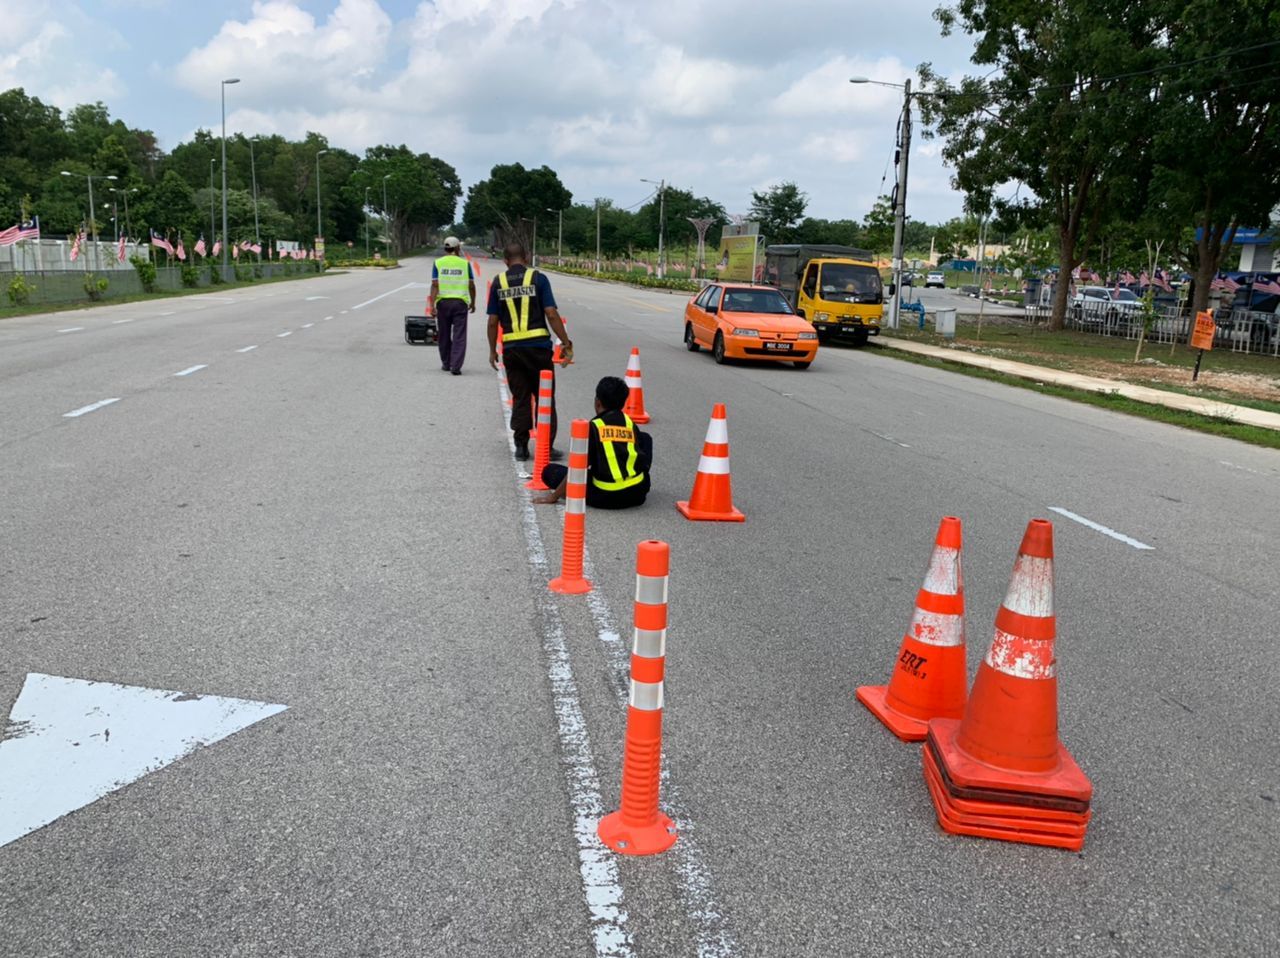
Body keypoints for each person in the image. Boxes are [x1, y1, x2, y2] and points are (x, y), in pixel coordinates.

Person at [487, 241, 573, 461]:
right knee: (544, 398)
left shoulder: (499, 282)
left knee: (521, 397)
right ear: (526, 258)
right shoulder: (538, 279)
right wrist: (565, 341)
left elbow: (492, 321)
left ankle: (521, 446)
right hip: (538, 349)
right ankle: (545, 446)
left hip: (512, 350)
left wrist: (492, 351)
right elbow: (551, 314)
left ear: (505, 260)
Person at [533, 376, 652, 509]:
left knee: (550, 472)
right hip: (638, 493)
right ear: (623, 403)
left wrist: (553, 496)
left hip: (605, 496)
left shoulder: (593, 427)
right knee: (646, 438)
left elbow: (578, 469)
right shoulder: (630, 423)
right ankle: (636, 476)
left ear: (597, 402)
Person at [429, 237, 476, 375]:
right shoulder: (464, 264)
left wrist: (432, 305)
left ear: (445, 248)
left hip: (443, 303)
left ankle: (446, 363)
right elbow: (471, 285)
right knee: (459, 336)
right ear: (457, 248)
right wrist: (473, 302)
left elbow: (434, 284)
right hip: (460, 304)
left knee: (443, 334)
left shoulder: (438, 263)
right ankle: (456, 366)